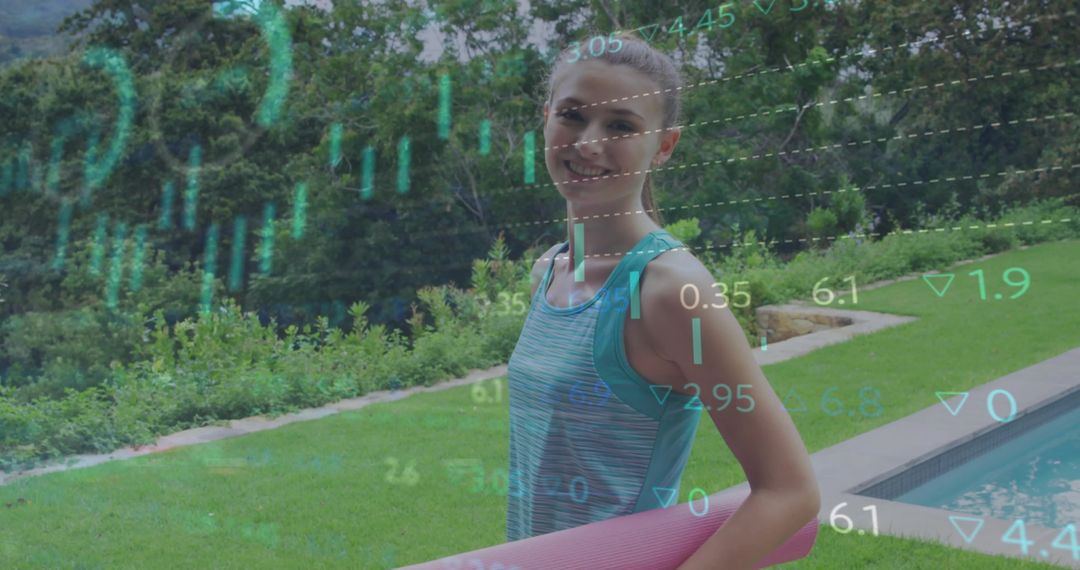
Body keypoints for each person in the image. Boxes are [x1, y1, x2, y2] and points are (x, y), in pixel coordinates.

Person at [504, 32, 820, 569]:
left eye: (621, 125)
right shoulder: (547, 274)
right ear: (546, 119)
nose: (588, 144)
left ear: (665, 144)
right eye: (573, 115)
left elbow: (790, 491)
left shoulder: (671, 292)